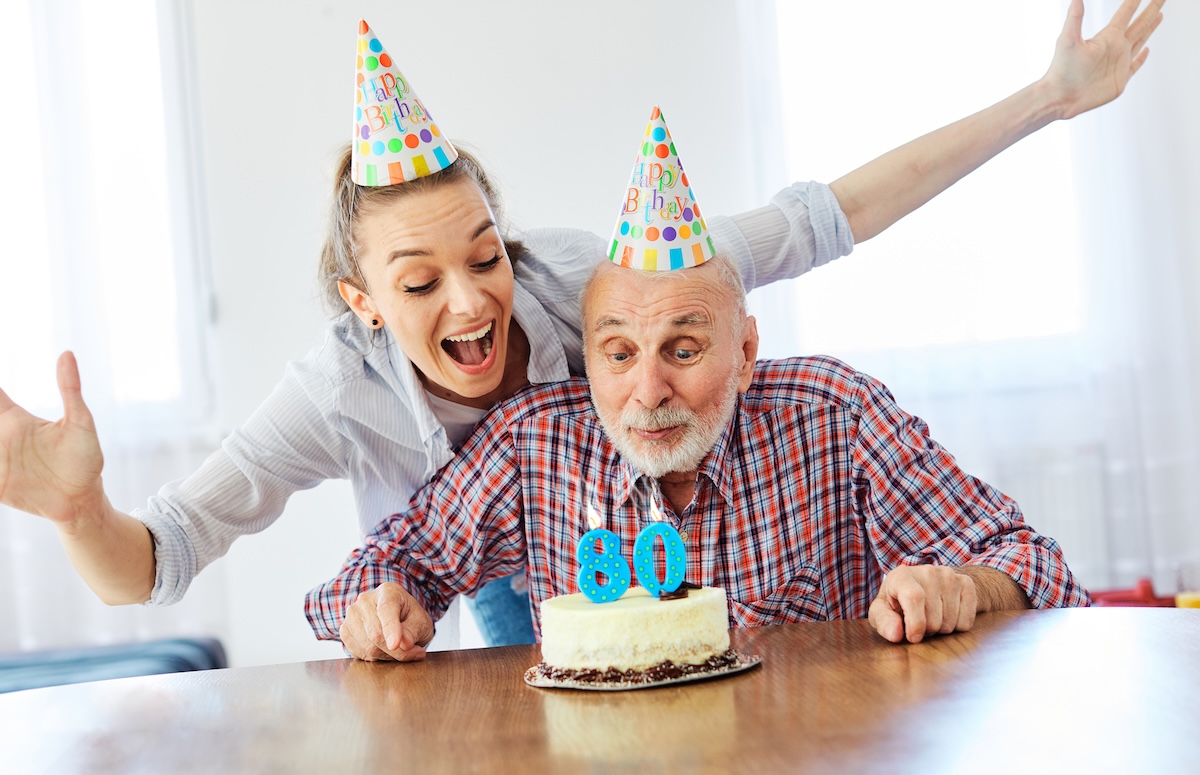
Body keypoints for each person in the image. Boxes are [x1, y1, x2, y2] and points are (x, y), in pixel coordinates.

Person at [0, 2, 1156, 645]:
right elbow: (158, 564)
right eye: (417, 283)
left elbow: (827, 215)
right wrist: (76, 509)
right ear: (362, 304)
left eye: (484, 254)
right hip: (507, 568)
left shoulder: (624, 280)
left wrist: (1045, 100)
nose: (470, 301)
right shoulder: (368, 407)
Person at [306, 108, 1090, 661]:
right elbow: (376, 570)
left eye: (683, 348)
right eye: (616, 353)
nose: (647, 391)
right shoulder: (531, 445)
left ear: (746, 350)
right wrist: (375, 606)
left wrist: (961, 587)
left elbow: (1035, 564)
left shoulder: (835, 416)